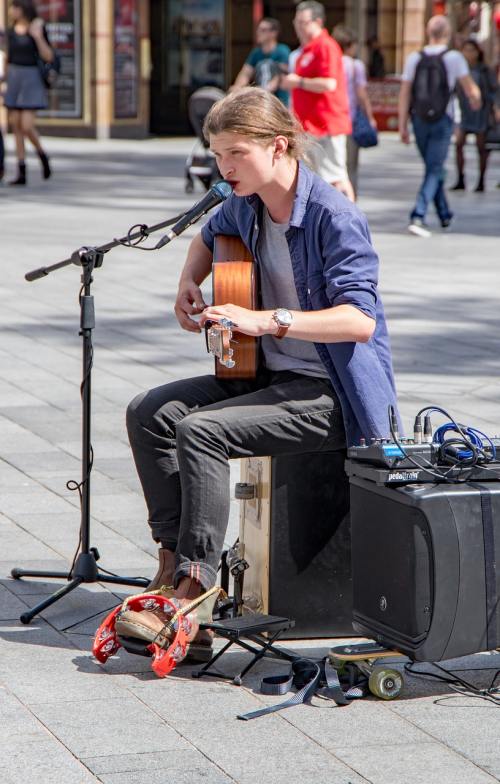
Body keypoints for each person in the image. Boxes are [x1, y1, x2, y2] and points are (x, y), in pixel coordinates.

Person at [122, 87, 399, 660]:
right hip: (266, 377)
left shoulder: (333, 216)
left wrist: (264, 319)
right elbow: (205, 237)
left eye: (234, 154)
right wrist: (186, 286)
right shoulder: (244, 203)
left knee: (202, 431)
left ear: (278, 146)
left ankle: (194, 597)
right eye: (217, 154)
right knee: (150, 412)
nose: (223, 169)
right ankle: (170, 567)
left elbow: (359, 321)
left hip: (332, 395)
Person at [398, 15, 481, 237]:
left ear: (428, 32)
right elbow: (471, 89)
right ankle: (418, 214)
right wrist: (476, 100)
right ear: (447, 34)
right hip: (443, 120)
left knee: (433, 168)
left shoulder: (414, 57)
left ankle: (445, 214)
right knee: (435, 169)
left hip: (419, 120)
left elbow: (405, 92)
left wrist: (402, 124)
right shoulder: (454, 58)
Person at [281, 1, 355, 201]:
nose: (298, 26)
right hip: (309, 126)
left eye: (303, 22)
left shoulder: (326, 46)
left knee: (336, 178)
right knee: (316, 180)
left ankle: (350, 224)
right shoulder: (305, 50)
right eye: (296, 21)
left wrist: (299, 82)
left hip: (327, 124)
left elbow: (329, 83)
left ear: (318, 22)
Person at [3, 0, 54, 185]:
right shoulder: (10, 31)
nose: (11, 11)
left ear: (22, 9)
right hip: (15, 78)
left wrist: (38, 36)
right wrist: (5, 81)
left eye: (14, 7)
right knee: (15, 125)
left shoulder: (37, 27)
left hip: (31, 78)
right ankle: (21, 169)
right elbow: (8, 57)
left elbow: (48, 56)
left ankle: (42, 155)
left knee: (26, 125)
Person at [333, 24, 377, 198]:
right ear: (350, 45)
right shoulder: (355, 65)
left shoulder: (330, 62)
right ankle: (350, 201)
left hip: (331, 122)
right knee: (350, 167)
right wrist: (370, 116)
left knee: (334, 166)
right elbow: (361, 94)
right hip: (349, 121)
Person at [451, 39, 498, 192]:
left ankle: (481, 181)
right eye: (466, 50)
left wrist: (496, 108)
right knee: (459, 144)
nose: (469, 53)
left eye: (472, 50)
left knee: (481, 147)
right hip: (463, 111)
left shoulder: (485, 70)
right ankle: (460, 179)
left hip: (481, 112)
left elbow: (494, 91)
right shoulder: (459, 69)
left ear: (478, 52)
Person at [230, 17, 290, 106]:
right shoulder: (256, 53)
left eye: (263, 30)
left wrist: (260, 91)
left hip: (279, 103)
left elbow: (280, 77)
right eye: (258, 29)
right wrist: (237, 88)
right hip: (262, 101)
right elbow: (245, 73)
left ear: (273, 33)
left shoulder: (282, 50)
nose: (258, 33)